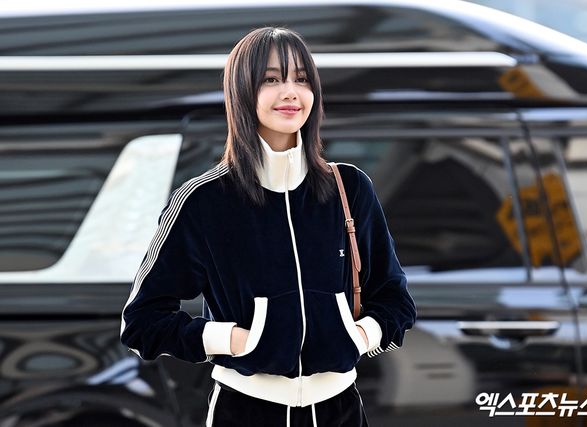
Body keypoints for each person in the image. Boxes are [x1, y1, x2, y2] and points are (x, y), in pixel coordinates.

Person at [120, 26, 417, 427]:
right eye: (272, 80)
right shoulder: (204, 201)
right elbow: (143, 323)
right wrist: (236, 340)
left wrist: (357, 336)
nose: (291, 93)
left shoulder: (349, 188)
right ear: (242, 92)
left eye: (302, 79)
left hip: (340, 409)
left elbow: (396, 301)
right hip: (245, 409)